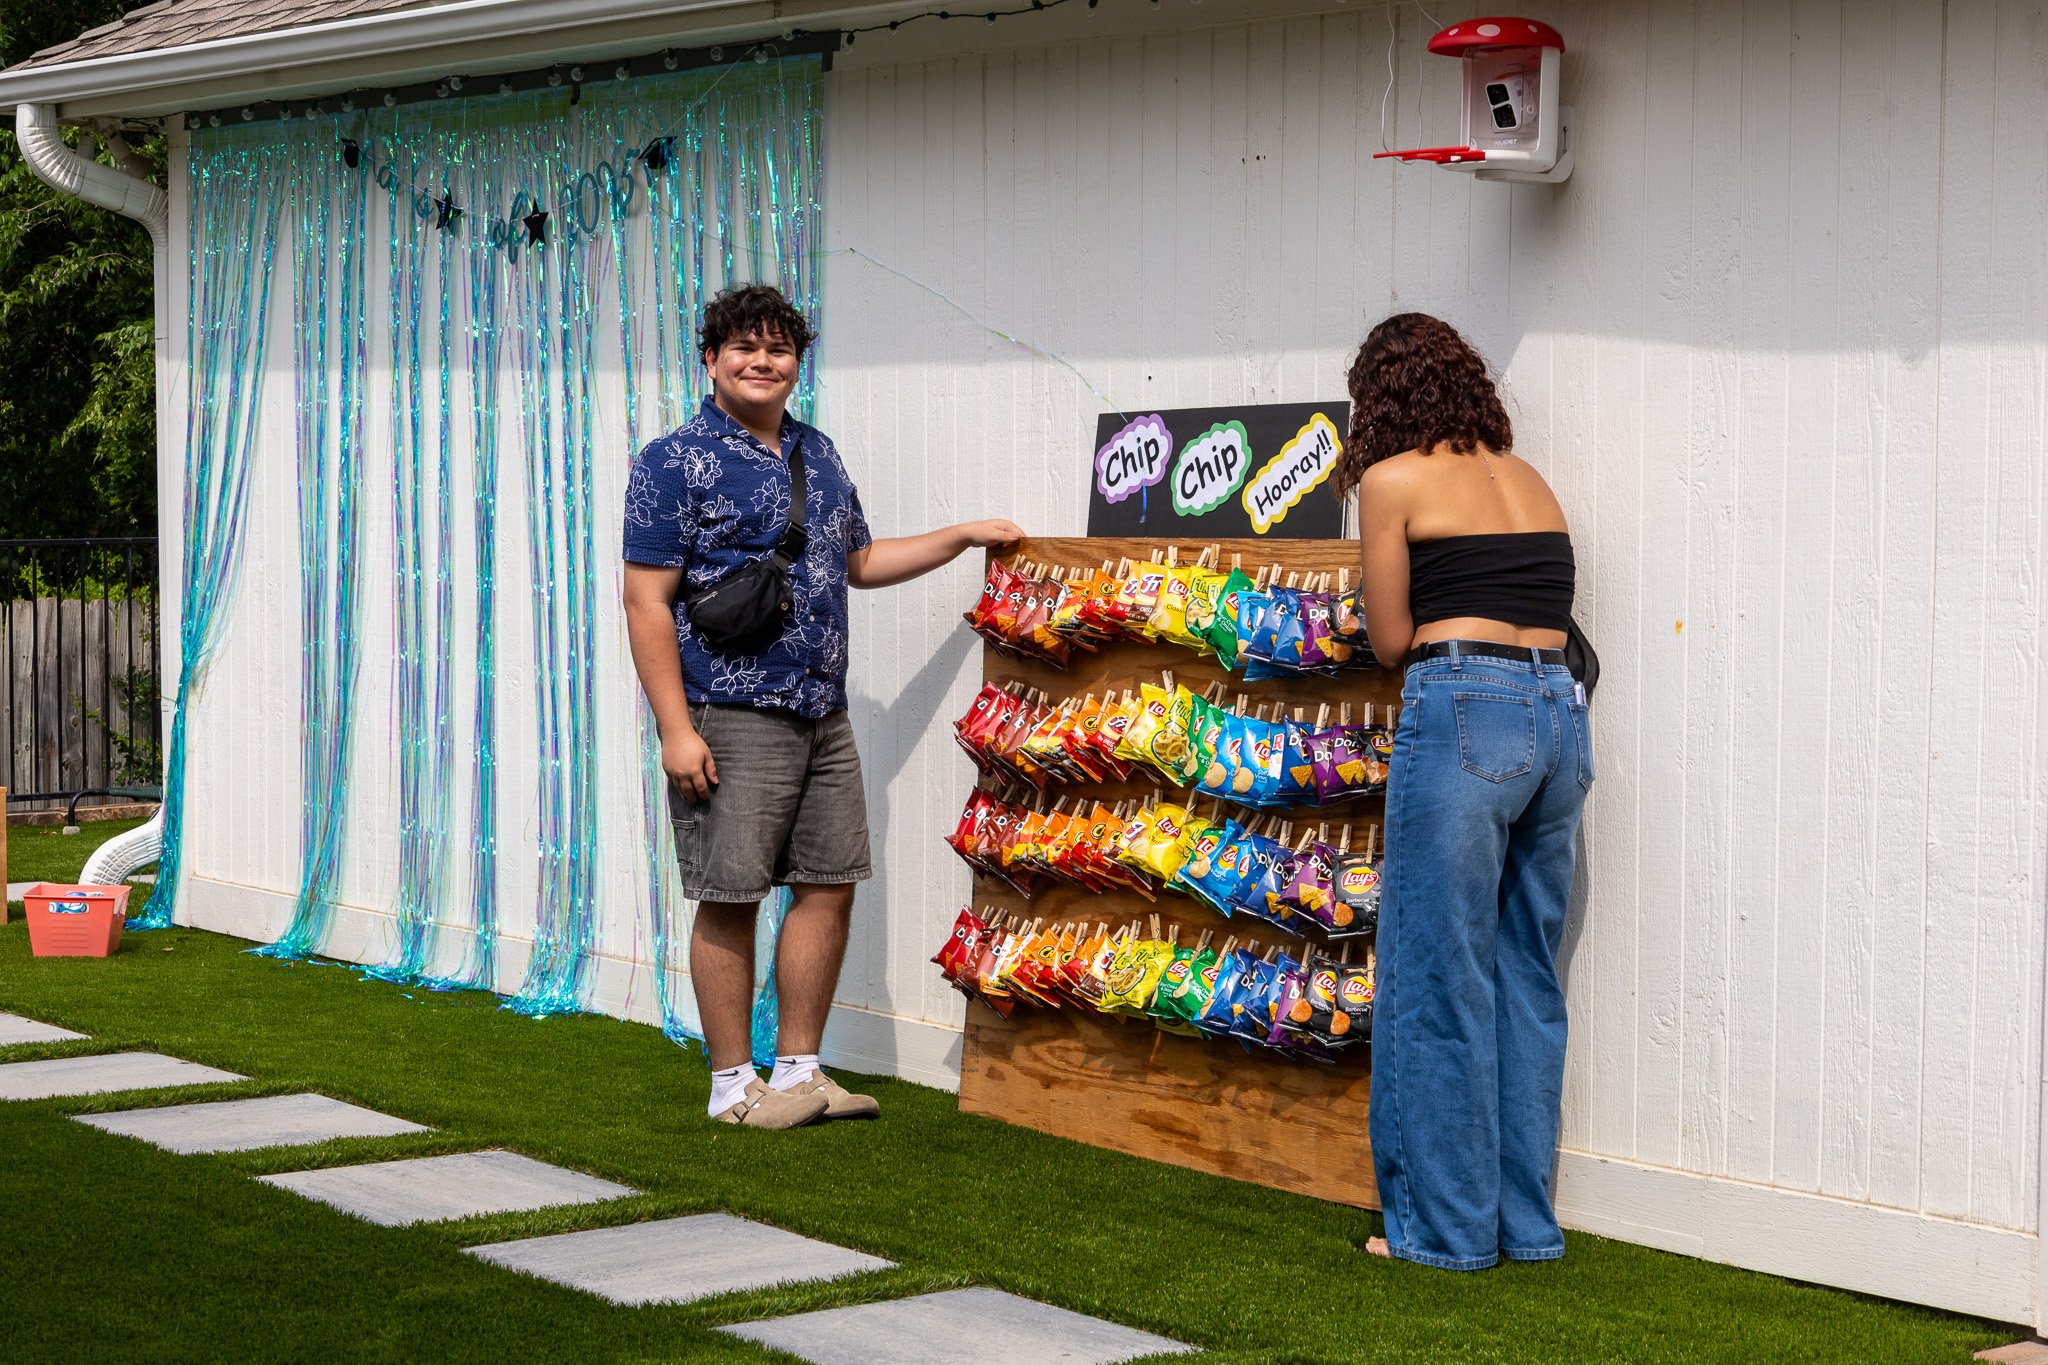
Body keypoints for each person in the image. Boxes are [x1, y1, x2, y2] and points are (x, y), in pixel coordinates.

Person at [621, 284, 1024, 1129]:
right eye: (744, 347)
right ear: (711, 358)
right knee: (730, 894)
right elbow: (646, 603)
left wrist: (958, 536)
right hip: (728, 711)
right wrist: (676, 730)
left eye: (779, 350)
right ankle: (734, 1088)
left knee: (827, 885)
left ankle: (800, 1074)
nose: (762, 362)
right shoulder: (673, 459)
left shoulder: (819, 452)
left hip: (820, 711)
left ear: (796, 364)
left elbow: (861, 561)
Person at [1334, 312, 1592, 1269]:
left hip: (1465, 705)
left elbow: (1396, 640)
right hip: (1559, 721)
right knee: (1527, 973)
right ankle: (1526, 1227)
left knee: (1439, 973)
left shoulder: (1391, 483)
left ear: (1380, 401)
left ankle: (1442, 1231)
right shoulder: (1531, 482)